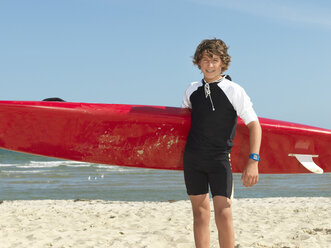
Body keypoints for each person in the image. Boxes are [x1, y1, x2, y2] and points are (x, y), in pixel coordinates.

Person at [181, 38, 262, 248]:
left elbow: (255, 125)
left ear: (222, 63)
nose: (209, 64)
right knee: (199, 214)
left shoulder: (234, 90)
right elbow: (183, 123)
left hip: (219, 160)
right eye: (205, 60)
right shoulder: (191, 90)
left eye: (214, 60)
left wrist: (253, 160)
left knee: (224, 212)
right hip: (193, 159)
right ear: (198, 63)